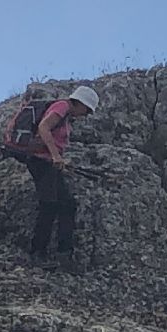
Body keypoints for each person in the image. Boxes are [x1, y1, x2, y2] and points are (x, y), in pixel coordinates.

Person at [24, 85, 100, 263]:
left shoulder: (66, 115)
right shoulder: (62, 106)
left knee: (67, 203)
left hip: (48, 162)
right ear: (80, 103)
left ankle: (63, 251)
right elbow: (44, 127)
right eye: (87, 110)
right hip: (41, 161)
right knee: (49, 204)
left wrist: (58, 159)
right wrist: (56, 156)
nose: (86, 114)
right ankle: (38, 252)